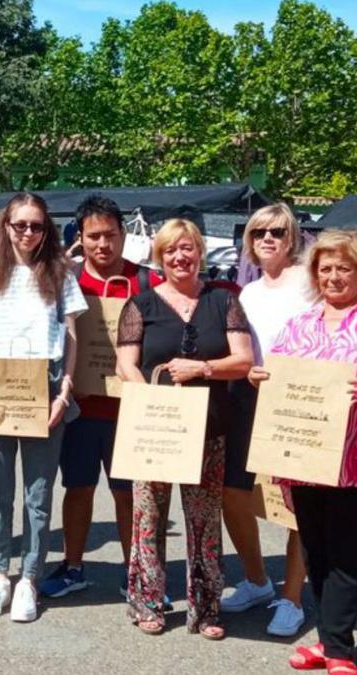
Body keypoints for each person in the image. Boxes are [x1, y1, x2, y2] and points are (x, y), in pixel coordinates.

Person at [251, 230, 357, 674]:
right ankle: (328, 644)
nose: (333, 276)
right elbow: (277, 374)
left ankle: (340, 650)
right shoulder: (299, 324)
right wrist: (260, 378)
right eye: (325, 268)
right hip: (305, 457)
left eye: (343, 267)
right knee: (318, 551)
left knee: (352, 553)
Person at [115, 218, 253, 639]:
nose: (180, 257)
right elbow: (125, 363)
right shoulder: (140, 305)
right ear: (160, 257)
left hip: (208, 430)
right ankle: (149, 602)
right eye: (172, 250)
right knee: (149, 518)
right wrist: (151, 404)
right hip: (155, 430)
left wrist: (204, 367)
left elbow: (243, 360)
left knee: (203, 519)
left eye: (188, 248)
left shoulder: (223, 301)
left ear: (200, 253)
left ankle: (207, 608)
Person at [0, 192, 86, 621]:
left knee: (38, 493)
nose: (29, 233)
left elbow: (72, 336)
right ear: (5, 227)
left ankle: (29, 578)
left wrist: (64, 390)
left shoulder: (60, 274)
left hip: (46, 384)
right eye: (20, 225)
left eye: (37, 226)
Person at [40, 195, 162, 600]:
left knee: (129, 494)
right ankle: (73, 566)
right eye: (93, 236)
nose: (102, 244)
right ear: (81, 237)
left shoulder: (148, 282)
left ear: (123, 235)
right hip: (79, 407)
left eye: (110, 235)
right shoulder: (64, 280)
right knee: (78, 488)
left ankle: (139, 573)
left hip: (131, 410)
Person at [220, 203, 313, 636]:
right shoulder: (250, 291)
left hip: (298, 402)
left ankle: (292, 597)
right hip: (249, 400)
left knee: (300, 505)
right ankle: (258, 580)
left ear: (291, 236)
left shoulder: (311, 282)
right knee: (233, 493)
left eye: (276, 231)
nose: (267, 239)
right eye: (258, 233)